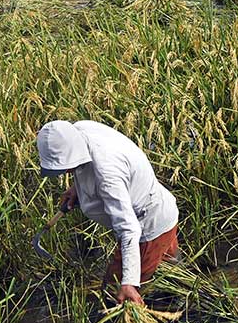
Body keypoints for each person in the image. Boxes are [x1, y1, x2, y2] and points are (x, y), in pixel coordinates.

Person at [37, 120, 180, 305]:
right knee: (173, 277)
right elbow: (84, 167)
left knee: (114, 296)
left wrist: (128, 283)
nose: (65, 171)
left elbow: (129, 229)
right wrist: (77, 189)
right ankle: (184, 305)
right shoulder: (80, 130)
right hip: (160, 206)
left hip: (148, 226)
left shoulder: (107, 173)